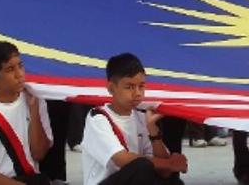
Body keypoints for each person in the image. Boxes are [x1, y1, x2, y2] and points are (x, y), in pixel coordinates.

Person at [81, 53, 188, 185]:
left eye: (141, 86)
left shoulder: (142, 117)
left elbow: (164, 172)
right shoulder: (97, 117)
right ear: (111, 88)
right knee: (141, 167)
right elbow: (122, 159)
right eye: (129, 87)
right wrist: (169, 163)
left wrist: (153, 131)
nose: (137, 93)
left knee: (172, 181)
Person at [0, 41, 53, 185]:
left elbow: (38, 153)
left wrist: (34, 110)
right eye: (10, 69)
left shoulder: (35, 101)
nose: (19, 74)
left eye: (20, 66)